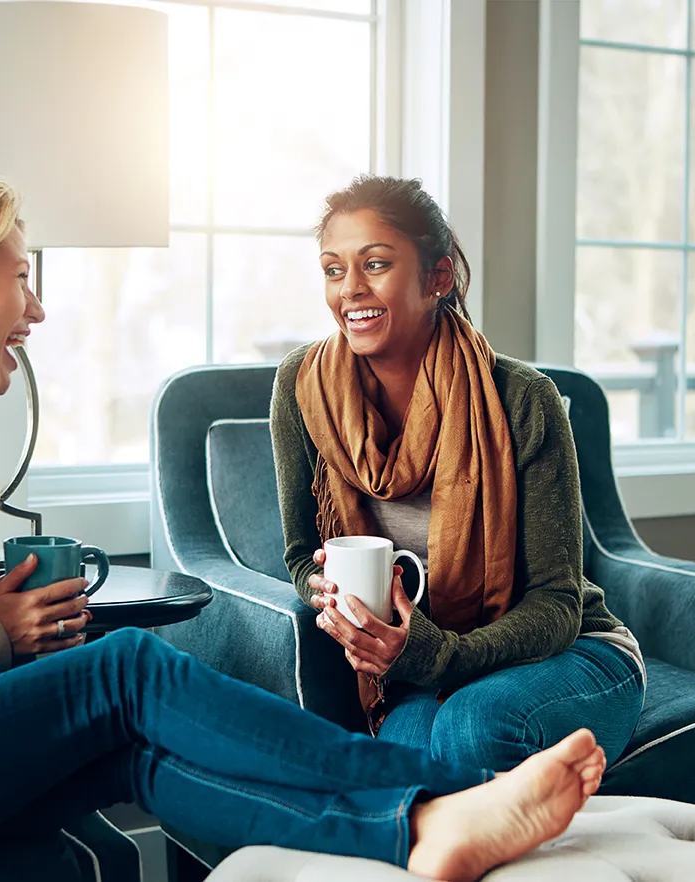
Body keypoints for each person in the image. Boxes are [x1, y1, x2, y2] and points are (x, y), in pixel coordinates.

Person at [0, 170, 607, 882]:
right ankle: (440, 797)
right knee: (126, 669)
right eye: (21, 277)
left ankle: (408, 833)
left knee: (136, 755)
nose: (37, 310)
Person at [271, 175, 645, 774]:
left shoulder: (521, 398)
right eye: (333, 269)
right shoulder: (303, 389)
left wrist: (437, 655)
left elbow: (558, 604)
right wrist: (337, 600)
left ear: (438, 277)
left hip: (570, 655)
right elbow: (299, 556)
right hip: (417, 667)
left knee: (472, 727)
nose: (351, 289)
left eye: (376, 264)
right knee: (402, 765)